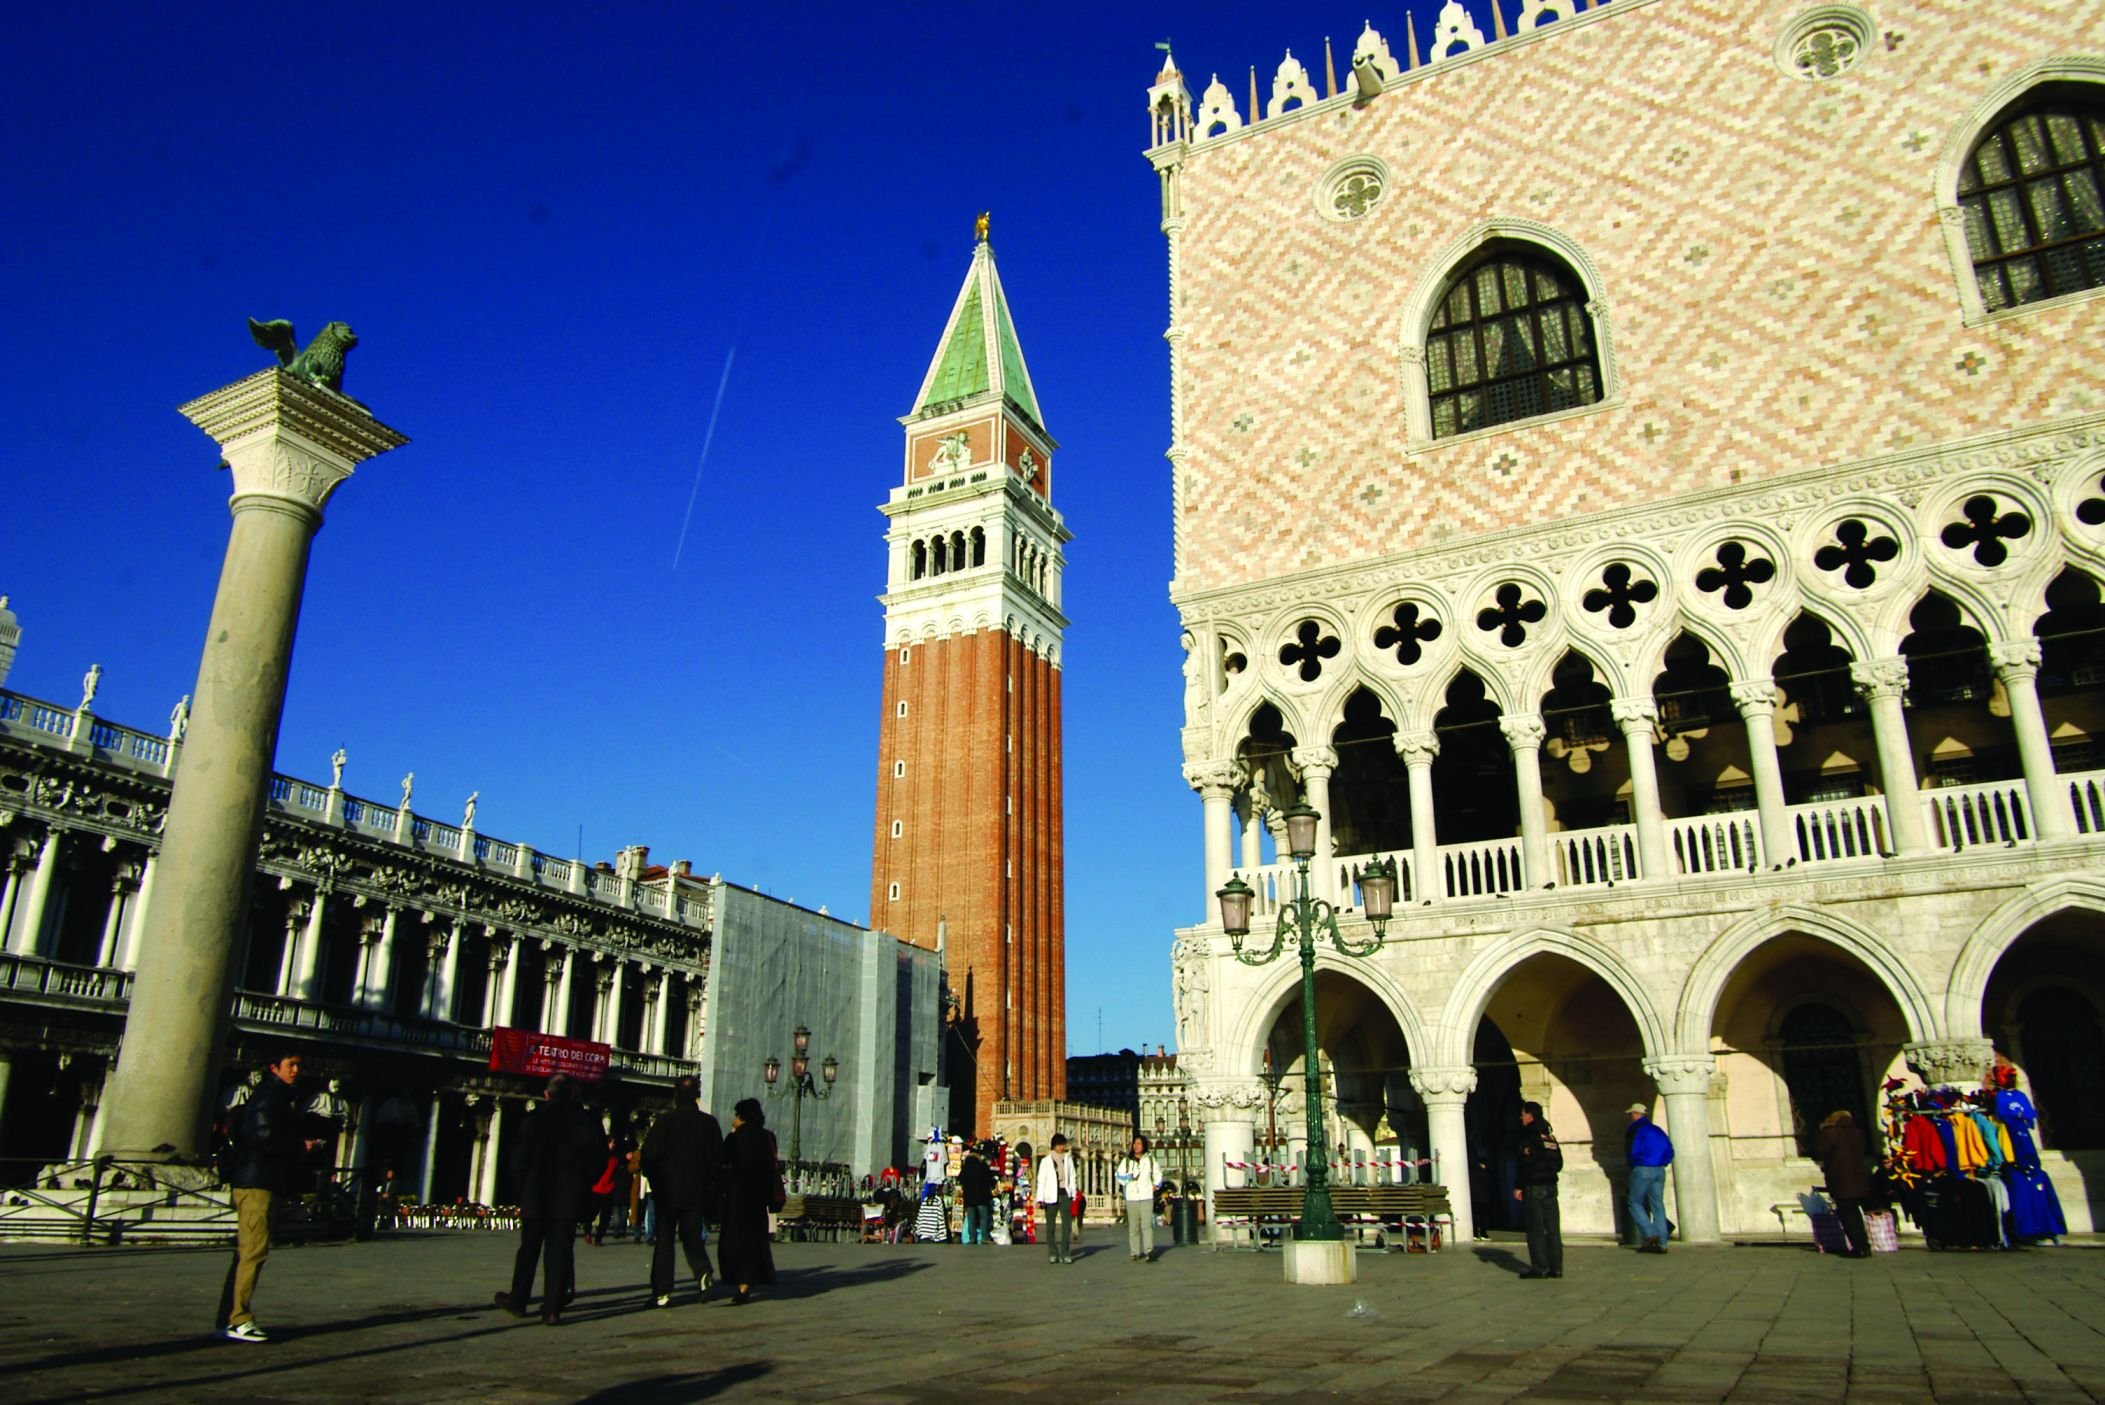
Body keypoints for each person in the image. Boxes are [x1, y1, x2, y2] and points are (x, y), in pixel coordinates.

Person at [218, 1051, 322, 1343]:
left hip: (258, 1180)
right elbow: (264, 1139)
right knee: (253, 1252)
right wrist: (301, 1145)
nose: (296, 1071)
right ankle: (238, 1319)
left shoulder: (274, 1097)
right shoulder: (269, 1098)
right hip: (257, 1182)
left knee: (246, 1253)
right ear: (274, 1068)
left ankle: (226, 1319)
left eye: (299, 1065)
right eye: (291, 1065)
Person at [494, 1075, 602, 1325]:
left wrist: (523, 1190)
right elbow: (597, 1161)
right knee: (559, 1251)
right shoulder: (585, 1123)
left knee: (528, 1248)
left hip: (537, 1194)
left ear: (547, 1095)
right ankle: (552, 1308)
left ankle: (519, 1299)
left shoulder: (534, 1120)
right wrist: (582, 1187)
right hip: (568, 1198)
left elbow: (517, 1160)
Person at [641, 1075, 723, 1306]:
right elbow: (717, 1161)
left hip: (667, 1191)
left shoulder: (665, 1122)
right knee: (692, 1237)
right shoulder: (709, 1124)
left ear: (676, 1095)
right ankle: (703, 1273)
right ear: (697, 1096)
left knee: (665, 1241)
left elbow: (649, 1157)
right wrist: (710, 1186)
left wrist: (656, 1182)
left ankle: (662, 1292)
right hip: (696, 1191)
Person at [718, 1098, 778, 1305]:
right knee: (754, 1240)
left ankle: (740, 1280)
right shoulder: (767, 1137)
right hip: (758, 1196)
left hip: (737, 1195)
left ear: (741, 1116)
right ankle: (748, 1282)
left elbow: (722, 1161)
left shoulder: (735, 1138)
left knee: (735, 1239)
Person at [1514, 1101, 1563, 1279]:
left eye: (1523, 1114)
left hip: (1534, 1186)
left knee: (1535, 1228)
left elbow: (1525, 1163)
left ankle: (1540, 1267)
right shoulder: (1549, 1136)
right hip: (1551, 1186)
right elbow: (1559, 1163)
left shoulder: (1529, 1135)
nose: (1521, 1117)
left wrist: (1519, 1185)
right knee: (1552, 1228)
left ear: (1530, 1115)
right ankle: (1556, 1267)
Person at [1816, 1108, 1872, 1259]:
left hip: (1841, 1180)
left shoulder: (1830, 1133)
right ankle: (1864, 1245)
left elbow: (1822, 1151)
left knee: (1847, 1215)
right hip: (1858, 1179)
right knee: (1856, 1213)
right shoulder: (1857, 1132)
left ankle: (1858, 1247)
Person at [1624, 1102, 1674, 1254]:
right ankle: (1663, 1243)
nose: (1630, 1117)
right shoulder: (1657, 1130)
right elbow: (1670, 1150)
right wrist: (1662, 1163)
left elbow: (1631, 1150)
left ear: (1637, 1114)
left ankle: (1650, 1233)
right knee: (1657, 1205)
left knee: (1634, 1202)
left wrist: (1634, 1164)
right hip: (1659, 1170)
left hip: (1642, 1168)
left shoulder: (1635, 1130)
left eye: (1632, 1114)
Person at [1116, 1134, 1163, 1263]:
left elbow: (1158, 1174)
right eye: (1134, 1144)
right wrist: (1129, 1178)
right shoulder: (1126, 1161)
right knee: (1133, 1227)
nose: (1136, 1146)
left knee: (1146, 1225)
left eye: (1138, 1144)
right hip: (1131, 1196)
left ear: (1143, 1146)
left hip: (1146, 1195)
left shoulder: (1150, 1160)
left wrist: (1155, 1186)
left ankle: (1149, 1250)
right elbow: (1119, 1175)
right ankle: (1135, 1252)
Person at [1035, 1133, 1078, 1264]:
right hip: (1050, 1196)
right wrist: (1039, 1198)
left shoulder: (1068, 1159)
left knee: (1066, 1225)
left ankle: (1065, 1252)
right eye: (1059, 1145)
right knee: (1050, 1226)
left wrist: (1074, 1193)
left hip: (1065, 1194)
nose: (1061, 1148)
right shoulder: (1046, 1161)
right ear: (1054, 1146)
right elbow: (1041, 1180)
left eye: (1063, 1145)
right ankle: (1053, 1252)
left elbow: (1072, 1177)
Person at [958, 1143, 995, 1245]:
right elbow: (989, 1178)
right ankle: (984, 1237)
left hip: (969, 1197)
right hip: (981, 1197)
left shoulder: (965, 1167)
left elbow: (960, 1179)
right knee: (983, 1217)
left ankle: (972, 1238)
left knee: (971, 1218)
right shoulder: (982, 1165)